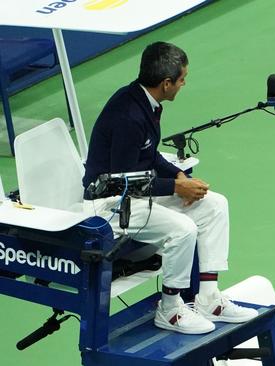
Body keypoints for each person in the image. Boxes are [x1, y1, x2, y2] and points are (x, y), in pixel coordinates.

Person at [82, 41, 257, 334]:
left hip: (132, 194)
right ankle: (171, 309)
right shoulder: (129, 116)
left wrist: (179, 177)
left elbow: (148, 157)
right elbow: (122, 181)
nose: (184, 83)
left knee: (215, 205)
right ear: (166, 83)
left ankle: (209, 298)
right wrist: (176, 189)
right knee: (183, 229)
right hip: (109, 205)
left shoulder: (145, 102)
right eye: (182, 79)